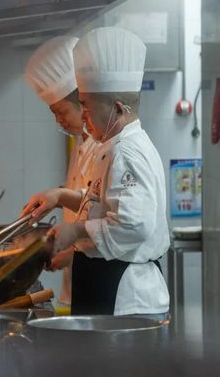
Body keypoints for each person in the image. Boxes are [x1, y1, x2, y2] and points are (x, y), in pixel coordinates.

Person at [21, 27, 170, 317]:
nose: (84, 116)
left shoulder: (126, 151)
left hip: (126, 297)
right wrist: (60, 197)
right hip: (108, 288)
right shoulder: (113, 146)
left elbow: (134, 225)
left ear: (117, 109)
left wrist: (76, 230)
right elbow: (103, 204)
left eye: (86, 107)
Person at [24, 36, 99, 307]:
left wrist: (73, 253)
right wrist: (57, 196)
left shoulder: (110, 145)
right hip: (82, 280)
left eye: (60, 111)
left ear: (83, 103)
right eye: (53, 113)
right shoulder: (82, 140)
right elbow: (87, 198)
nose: (58, 120)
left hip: (105, 283)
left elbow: (114, 219)